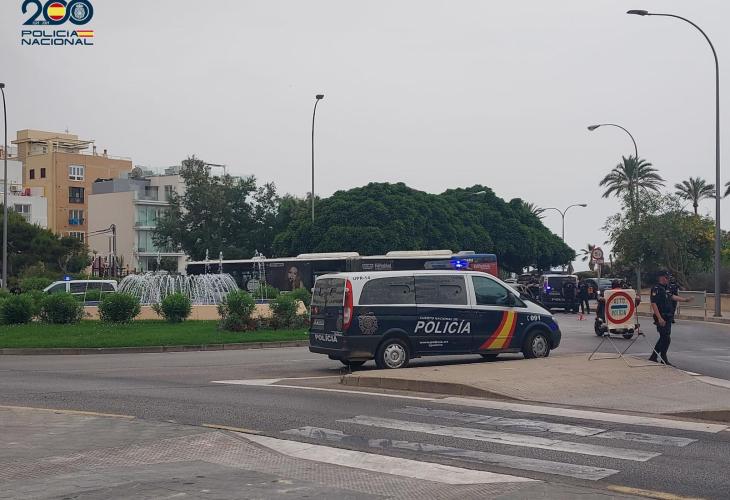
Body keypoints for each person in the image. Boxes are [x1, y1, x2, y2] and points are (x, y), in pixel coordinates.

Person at [649, 270, 692, 366]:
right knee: (666, 338)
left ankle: (653, 356)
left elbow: (672, 297)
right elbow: (654, 304)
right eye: (666, 277)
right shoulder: (656, 288)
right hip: (661, 316)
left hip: (668, 316)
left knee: (664, 337)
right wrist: (659, 318)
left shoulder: (666, 288)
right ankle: (663, 358)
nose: (668, 279)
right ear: (661, 277)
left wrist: (685, 300)